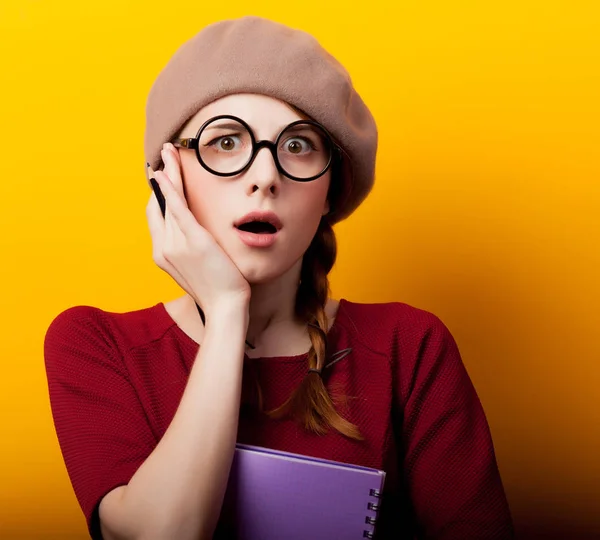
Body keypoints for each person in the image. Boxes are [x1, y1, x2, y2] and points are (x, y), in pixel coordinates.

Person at [43, 15, 515, 540]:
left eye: (297, 146)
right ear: (167, 178)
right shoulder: (96, 346)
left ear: (331, 190)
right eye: (225, 143)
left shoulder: (410, 346)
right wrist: (226, 311)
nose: (265, 177)